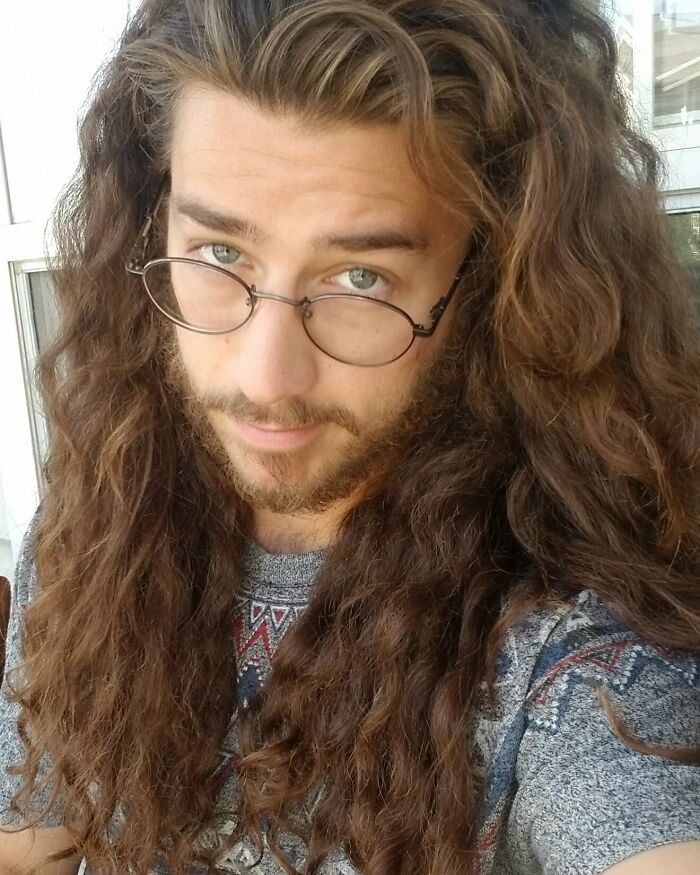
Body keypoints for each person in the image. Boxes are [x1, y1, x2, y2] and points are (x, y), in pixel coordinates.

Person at [0, 0, 699, 873]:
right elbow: (29, 842)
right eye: (220, 254)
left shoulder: (574, 646)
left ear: (494, 281)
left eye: (361, 278)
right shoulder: (102, 516)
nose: (264, 377)